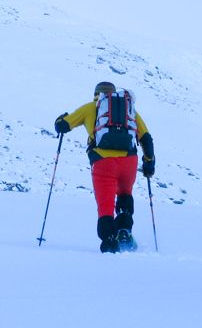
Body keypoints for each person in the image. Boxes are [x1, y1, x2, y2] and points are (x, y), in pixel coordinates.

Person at [54, 81, 155, 253]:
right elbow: (146, 138)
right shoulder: (129, 110)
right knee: (125, 194)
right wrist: (149, 162)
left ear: (96, 94)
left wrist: (60, 119)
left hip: (103, 162)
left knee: (105, 204)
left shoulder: (90, 108)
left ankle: (109, 242)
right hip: (129, 162)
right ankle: (124, 231)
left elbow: (63, 126)